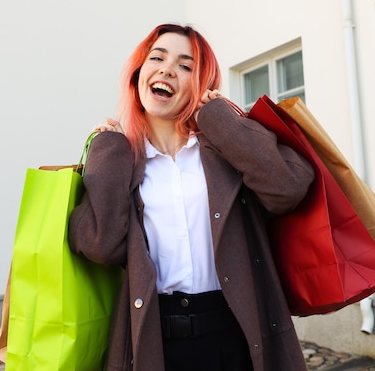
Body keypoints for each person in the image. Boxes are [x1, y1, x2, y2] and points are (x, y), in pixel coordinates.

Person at [68, 23, 314, 371]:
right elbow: (101, 246)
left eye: (186, 65)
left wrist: (219, 119)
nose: (168, 69)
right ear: (139, 74)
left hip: (236, 332)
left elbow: (287, 188)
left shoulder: (223, 149)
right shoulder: (126, 161)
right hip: (156, 338)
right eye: (158, 58)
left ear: (200, 86)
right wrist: (109, 152)